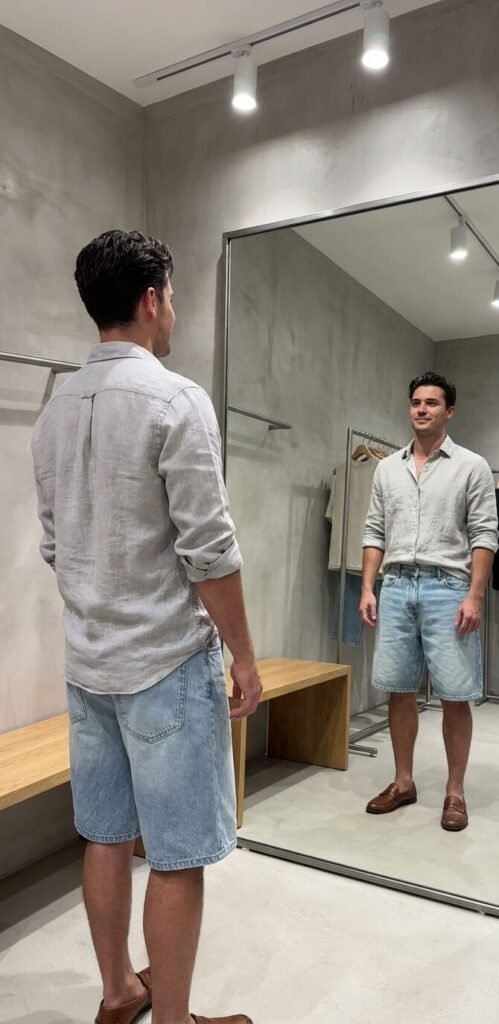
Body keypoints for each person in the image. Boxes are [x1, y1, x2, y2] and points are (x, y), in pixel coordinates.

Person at [31, 230, 262, 1024]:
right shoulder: (175, 400)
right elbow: (210, 553)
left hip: (87, 665)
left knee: (103, 835)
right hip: (165, 663)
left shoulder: (53, 412)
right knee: (176, 853)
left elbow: (56, 546)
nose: (175, 311)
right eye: (173, 296)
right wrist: (245, 656)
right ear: (151, 299)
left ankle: (119, 992)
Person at [359, 372, 498, 832]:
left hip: (448, 588)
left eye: (432, 403)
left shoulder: (471, 466)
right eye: (416, 402)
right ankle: (403, 782)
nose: (422, 409)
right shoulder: (386, 468)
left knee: (455, 695)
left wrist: (475, 595)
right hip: (397, 586)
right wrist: (368, 587)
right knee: (398, 689)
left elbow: (484, 534)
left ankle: (455, 793)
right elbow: (374, 531)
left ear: (449, 411)